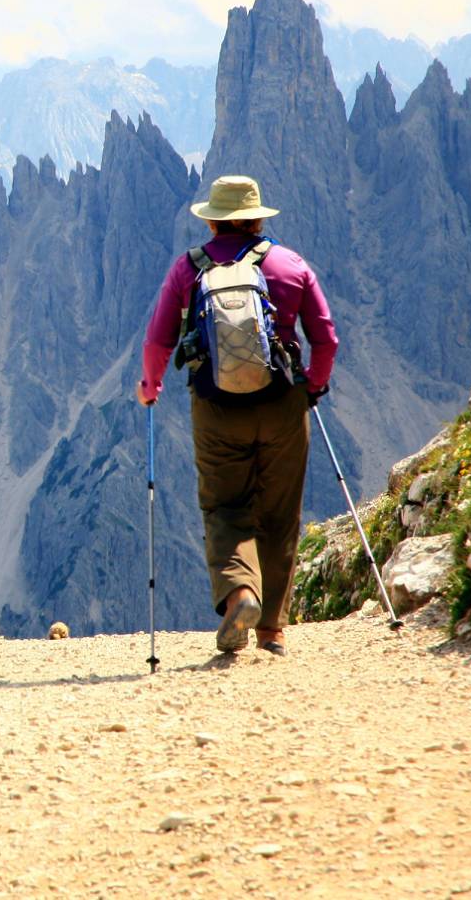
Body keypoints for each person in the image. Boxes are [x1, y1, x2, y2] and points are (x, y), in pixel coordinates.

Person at [136, 175, 338, 655]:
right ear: (258, 218)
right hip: (283, 404)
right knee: (280, 512)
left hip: (216, 408)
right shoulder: (290, 265)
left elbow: (158, 340)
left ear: (211, 221)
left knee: (224, 506)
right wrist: (311, 385)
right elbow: (325, 337)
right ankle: (271, 630)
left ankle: (240, 595)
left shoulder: (188, 270)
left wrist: (151, 386)